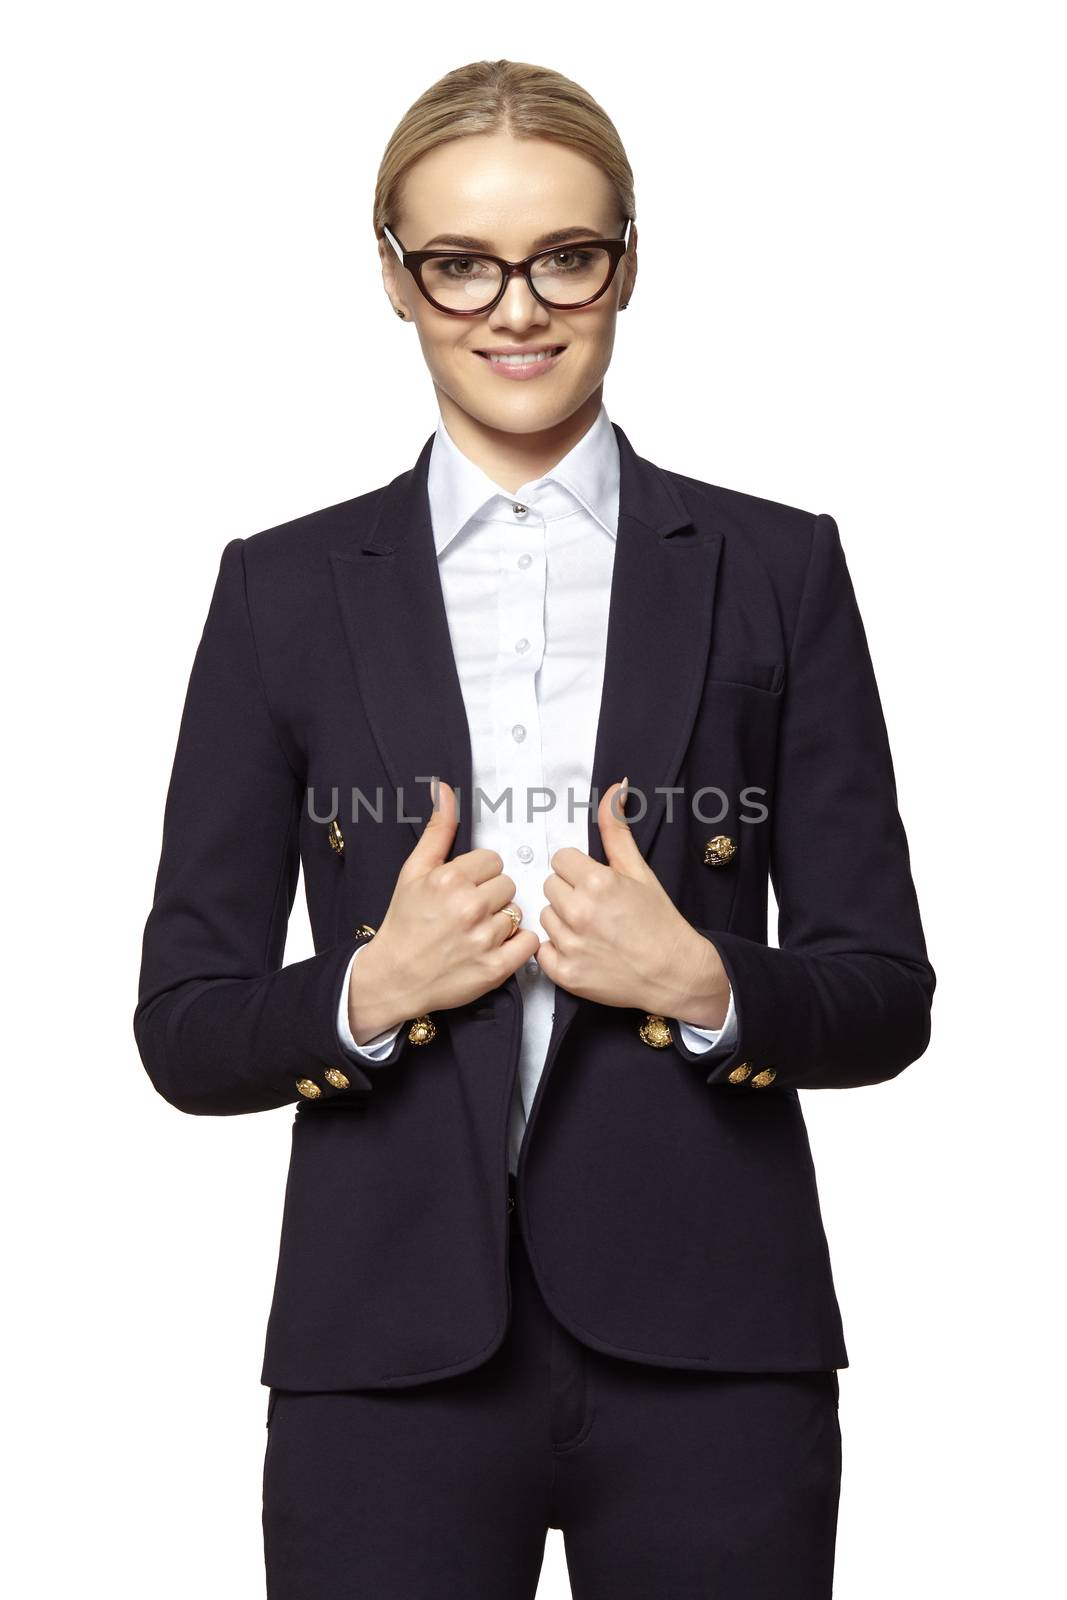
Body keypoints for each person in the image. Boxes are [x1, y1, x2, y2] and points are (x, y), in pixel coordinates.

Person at [134, 57, 935, 1599]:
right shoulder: (280, 591)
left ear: (627, 261)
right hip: (386, 1360)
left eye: (565, 255)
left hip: (718, 1347)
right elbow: (185, 1023)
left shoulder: (778, 569)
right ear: (394, 276)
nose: (517, 308)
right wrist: (373, 987)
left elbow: (884, 987)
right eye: (462, 263)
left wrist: (708, 984)